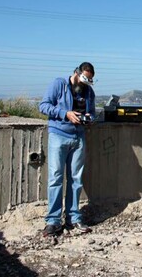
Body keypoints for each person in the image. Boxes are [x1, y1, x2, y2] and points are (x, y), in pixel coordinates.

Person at [39, 62, 96, 237]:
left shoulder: (88, 92)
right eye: (85, 78)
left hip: (78, 137)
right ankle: (53, 220)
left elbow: (93, 112)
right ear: (76, 73)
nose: (86, 82)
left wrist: (89, 118)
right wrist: (66, 114)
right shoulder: (59, 84)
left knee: (76, 179)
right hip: (59, 135)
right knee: (56, 178)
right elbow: (43, 106)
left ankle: (73, 217)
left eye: (90, 80)